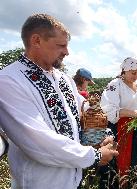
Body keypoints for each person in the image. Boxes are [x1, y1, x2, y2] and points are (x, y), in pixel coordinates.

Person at [0, 14, 118, 189]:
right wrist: (94, 156)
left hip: (73, 178)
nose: (66, 52)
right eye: (61, 45)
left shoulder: (63, 78)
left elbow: (83, 109)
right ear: (36, 40)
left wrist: (99, 136)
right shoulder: (9, 80)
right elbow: (38, 140)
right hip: (42, 182)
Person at [100, 57, 137, 188]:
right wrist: (134, 113)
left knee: (136, 160)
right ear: (124, 70)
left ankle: (134, 184)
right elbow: (109, 110)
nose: (136, 76)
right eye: (133, 73)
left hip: (136, 128)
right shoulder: (115, 85)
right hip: (118, 128)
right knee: (116, 162)